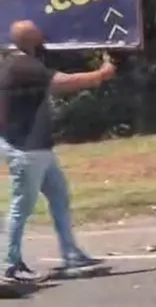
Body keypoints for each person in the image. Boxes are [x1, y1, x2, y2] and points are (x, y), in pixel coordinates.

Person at [0, 21, 116, 281]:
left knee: (60, 199)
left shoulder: (14, 62)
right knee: (22, 207)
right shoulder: (24, 67)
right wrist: (101, 74)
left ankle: (71, 255)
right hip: (27, 149)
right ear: (31, 38)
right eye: (38, 32)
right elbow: (62, 82)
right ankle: (9, 264)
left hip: (37, 147)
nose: (44, 34)